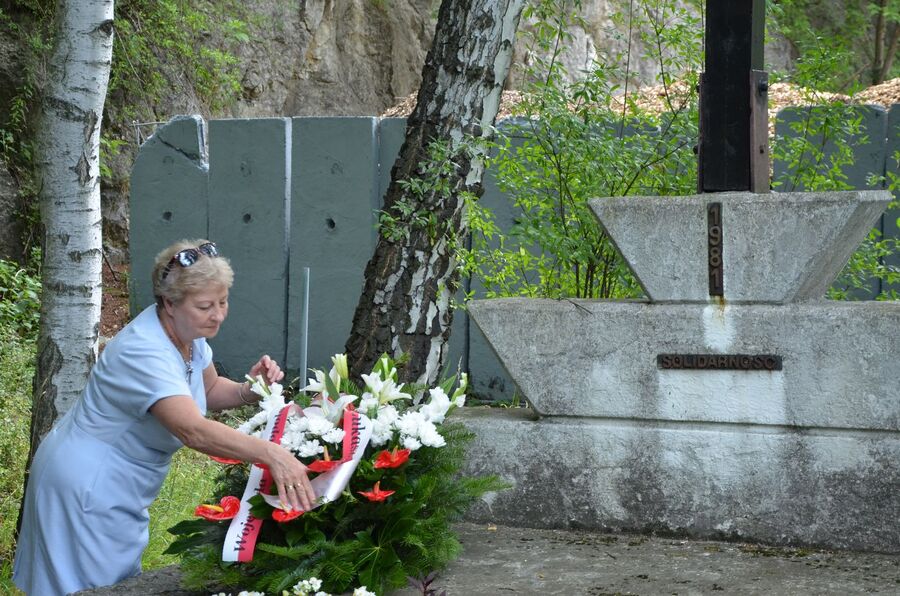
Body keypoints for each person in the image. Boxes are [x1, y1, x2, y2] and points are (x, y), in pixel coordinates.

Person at [13, 239, 315, 595]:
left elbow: (210, 387)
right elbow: (192, 429)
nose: (218, 314)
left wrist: (250, 389)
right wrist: (272, 454)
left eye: (223, 301)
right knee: (89, 588)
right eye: (205, 306)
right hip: (87, 485)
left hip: (118, 484)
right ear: (169, 303)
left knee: (114, 583)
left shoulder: (189, 335)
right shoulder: (144, 352)